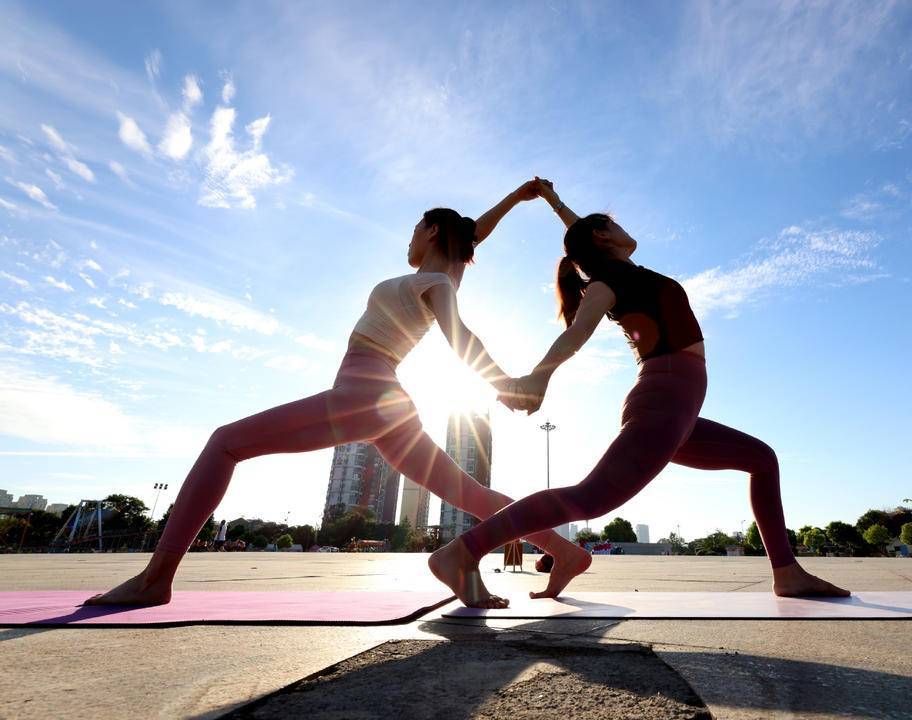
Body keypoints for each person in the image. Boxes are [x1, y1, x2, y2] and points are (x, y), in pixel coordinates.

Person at [86, 179, 590, 609]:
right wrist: (517, 198)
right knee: (470, 494)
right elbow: (470, 232)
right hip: (386, 403)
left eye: (415, 228)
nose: (409, 239)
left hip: (364, 394)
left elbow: (460, 336)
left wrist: (503, 384)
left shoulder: (436, 280)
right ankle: (563, 551)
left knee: (225, 442)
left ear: (432, 229)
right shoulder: (442, 271)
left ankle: (155, 580)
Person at [429, 179, 849, 606]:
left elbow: (581, 237)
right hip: (664, 401)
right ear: (603, 236)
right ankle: (462, 553)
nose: (622, 229)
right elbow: (577, 332)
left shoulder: (610, 268)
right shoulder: (607, 280)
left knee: (762, 460)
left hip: (677, 409)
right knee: (590, 498)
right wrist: (540, 377)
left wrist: (555, 203)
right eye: (613, 225)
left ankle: (787, 573)